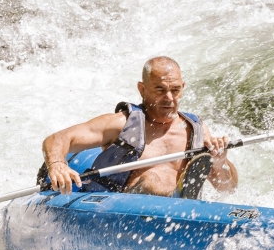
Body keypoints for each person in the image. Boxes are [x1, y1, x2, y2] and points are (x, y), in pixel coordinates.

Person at [41, 56, 237, 198]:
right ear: (142, 89)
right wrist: (58, 164)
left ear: (182, 88)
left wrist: (220, 163)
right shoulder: (122, 124)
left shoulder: (196, 129)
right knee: (151, 178)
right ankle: (177, 196)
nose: (169, 98)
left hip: (179, 215)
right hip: (120, 209)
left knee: (208, 165)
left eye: (175, 90)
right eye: (160, 90)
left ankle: (182, 197)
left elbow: (228, 189)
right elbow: (57, 139)